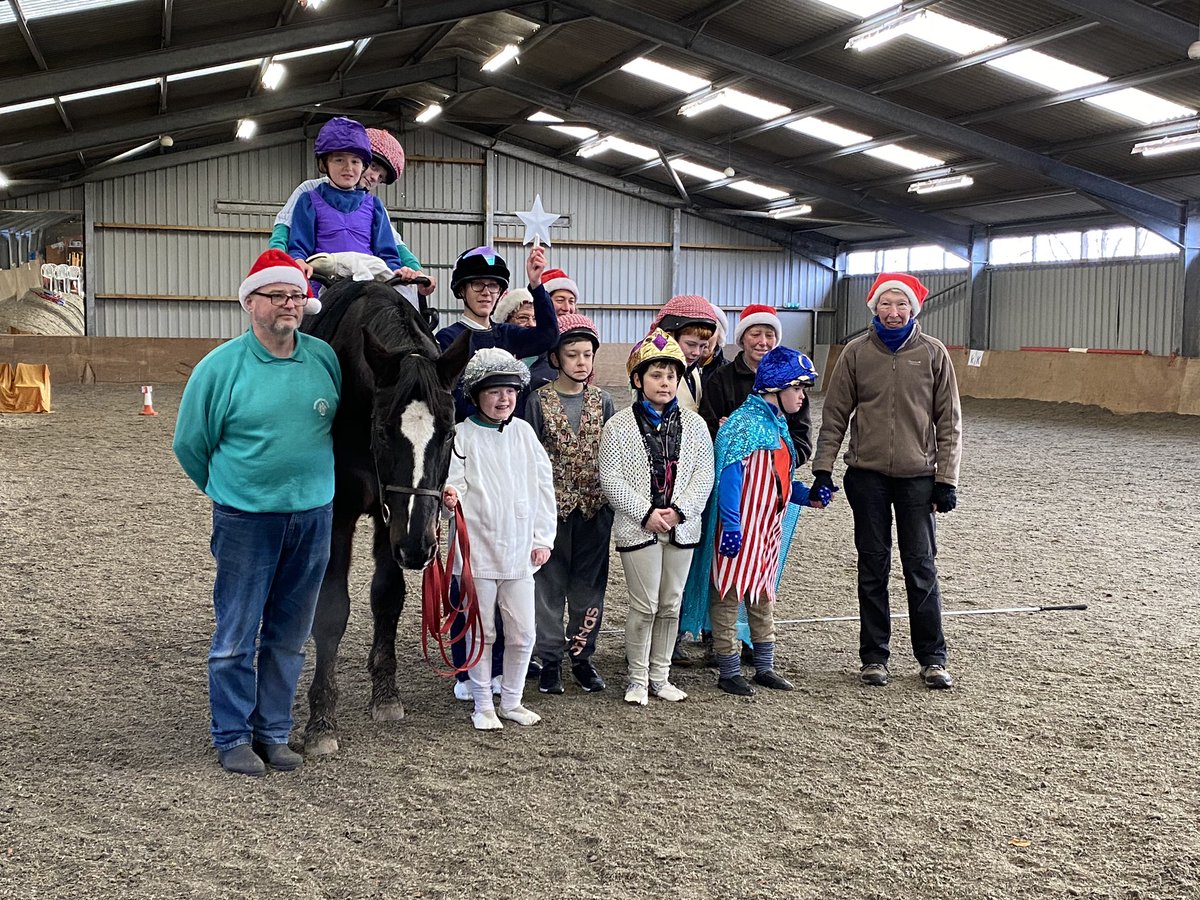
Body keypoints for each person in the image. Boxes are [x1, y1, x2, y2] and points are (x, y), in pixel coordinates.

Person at [172, 249, 341, 777]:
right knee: (236, 634)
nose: (290, 303)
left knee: (290, 634)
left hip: (313, 517)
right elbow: (190, 444)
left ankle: (274, 732)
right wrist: (230, 492)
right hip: (247, 520)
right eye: (277, 295)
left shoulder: (323, 359)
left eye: (296, 295)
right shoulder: (220, 367)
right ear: (250, 303)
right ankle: (232, 735)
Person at [811, 272, 962, 690]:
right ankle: (874, 656)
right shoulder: (856, 353)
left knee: (921, 566)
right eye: (886, 304)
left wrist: (946, 478)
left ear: (913, 309)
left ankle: (932, 658)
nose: (893, 312)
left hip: (918, 478)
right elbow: (835, 414)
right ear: (874, 307)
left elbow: (949, 421)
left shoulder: (933, 354)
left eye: (901, 305)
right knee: (872, 566)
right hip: (867, 477)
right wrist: (823, 467)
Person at [598, 330, 715, 706]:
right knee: (645, 604)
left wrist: (680, 511)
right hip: (639, 528)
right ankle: (637, 678)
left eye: (671, 376)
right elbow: (611, 478)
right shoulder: (617, 426)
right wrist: (645, 513)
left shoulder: (696, 426)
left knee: (670, 603)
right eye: (656, 375)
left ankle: (661, 676)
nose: (665, 383)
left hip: (683, 526)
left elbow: (704, 475)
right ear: (637, 379)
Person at [442, 348, 556, 730]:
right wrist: (449, 498)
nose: (504, 399)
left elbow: (544, 488)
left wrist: (543, 538)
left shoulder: (524, 433)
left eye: (510, 391)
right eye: (494, 391)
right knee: (482, 632)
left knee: (523, 632)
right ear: (476, 396)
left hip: (520, 552)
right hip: (476, 553)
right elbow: (453, 483)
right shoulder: (462, 436)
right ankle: (482, 705)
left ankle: (511, 700)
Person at [696, 347, 821, 696]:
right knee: (727, 596)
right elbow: (729, 479)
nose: (802, 396)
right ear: (776, 387)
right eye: (797, 387)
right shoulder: (744, 426)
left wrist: (807, 496)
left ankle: (764, 667)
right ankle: (728, 669)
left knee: (763, 597)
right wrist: (731, 525)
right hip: (740, 530)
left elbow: (779, 480)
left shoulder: (776, 425)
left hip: (766, 531)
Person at [524, 314, 616, 694]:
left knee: (588, 587)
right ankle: (550, 660)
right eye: (572, 354)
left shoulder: (604, 401)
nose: (581, 361)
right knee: (548, 587)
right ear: (555, 358)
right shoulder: (537, 401)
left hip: (594, 511)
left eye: (587, 355)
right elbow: (530, 458)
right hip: (552, 513)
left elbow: (612, 455)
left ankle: (581, 656)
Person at [270, 126, 434, 296]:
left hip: (366, 278)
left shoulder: (374, 205)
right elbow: (284, 228)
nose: (374, 178)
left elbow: (394, 244)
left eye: (381, 177)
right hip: (323, 278)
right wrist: (278, 260)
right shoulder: (309, 192)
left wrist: (416, 271)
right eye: (374, 167)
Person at [436, 245, 559, 421]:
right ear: (462, 290)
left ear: (500, 292)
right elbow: (451, 396)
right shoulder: (448, 338)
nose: (486, 293)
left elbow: (548, 336)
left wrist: (536, 285)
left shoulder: (507, 334)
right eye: (477, 284)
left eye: (493, 285)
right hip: (469, 431)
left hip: (509, 431)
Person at [282, 119, 408, 284]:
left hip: (367, 284)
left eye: (355, 161)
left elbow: (388, 253)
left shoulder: (375, 206)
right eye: (339, 160)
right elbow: (299, 246)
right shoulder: (308, 200)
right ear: (324, 164)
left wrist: (398, 270)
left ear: (363, 166)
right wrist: (298, 260)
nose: (348, 168)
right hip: (323, 283)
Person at [648, 294, 718, 413]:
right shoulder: (653, 372)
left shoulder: (693, 369)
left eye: (702, 346)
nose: (696, 353)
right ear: (669, 336)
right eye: (690, 344)